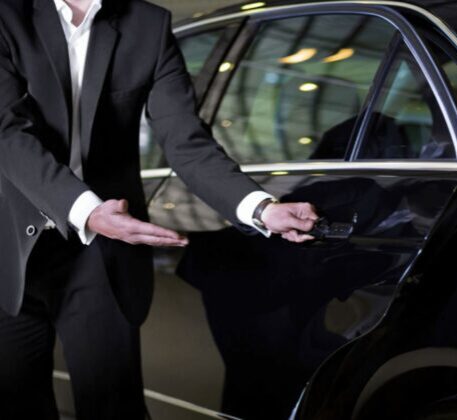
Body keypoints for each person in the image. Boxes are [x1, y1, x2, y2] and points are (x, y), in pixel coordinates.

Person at [0, 0, 318, 418]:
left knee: (113, 407)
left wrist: (260, 208)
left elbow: (185, 139)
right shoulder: (7, 14)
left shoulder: (148, 25)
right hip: (10, 241)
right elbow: (5, 133)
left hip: (102, 250)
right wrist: (89, 211)